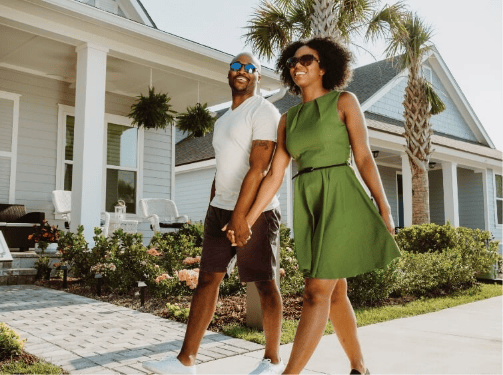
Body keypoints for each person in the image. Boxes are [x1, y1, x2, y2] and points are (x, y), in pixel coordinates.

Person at [227, 37, 401, 375]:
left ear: (324, 67)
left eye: (307, 59)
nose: (298, 65)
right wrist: (247, 218)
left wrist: (384, 207)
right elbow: (275, 174)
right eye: (293, 62)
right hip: (309, 200)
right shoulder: (287, 120)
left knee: (315, 292)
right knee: (335, 294)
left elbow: (363, 158)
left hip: (341, 196)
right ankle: (359, 367)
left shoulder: (344, 102)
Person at [142, 52, 285, 375]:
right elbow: (223, 169)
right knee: (207, 279)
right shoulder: (222, 120)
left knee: (263, 283)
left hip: (255, 212)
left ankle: (273, 360)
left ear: (259, 77)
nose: (242, 71)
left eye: (251, 68)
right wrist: (213, 206)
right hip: (219, 210)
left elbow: (259, 167)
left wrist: (241, 215)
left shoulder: (264, 111)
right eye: (236, 66)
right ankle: (185, 360)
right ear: (228, 74)